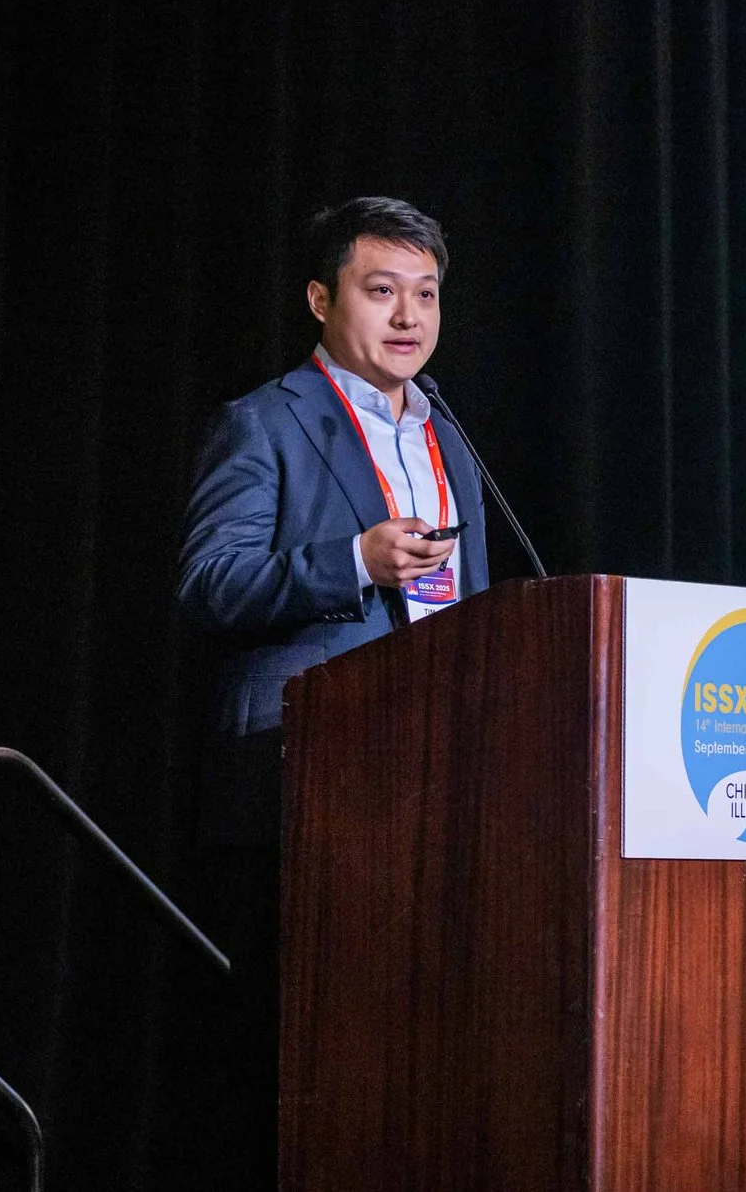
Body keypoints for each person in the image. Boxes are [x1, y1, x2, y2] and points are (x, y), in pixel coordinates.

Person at [175, 195, 492, 1183]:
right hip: (299, 781)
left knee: (415, 1059)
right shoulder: (265, 423)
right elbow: (208, 582)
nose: (408, 318)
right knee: (292, 1065)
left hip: (435, 784)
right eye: (381, 290)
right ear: (321, 299)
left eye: (426, 295)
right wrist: (353, 559)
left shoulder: (450, 437)